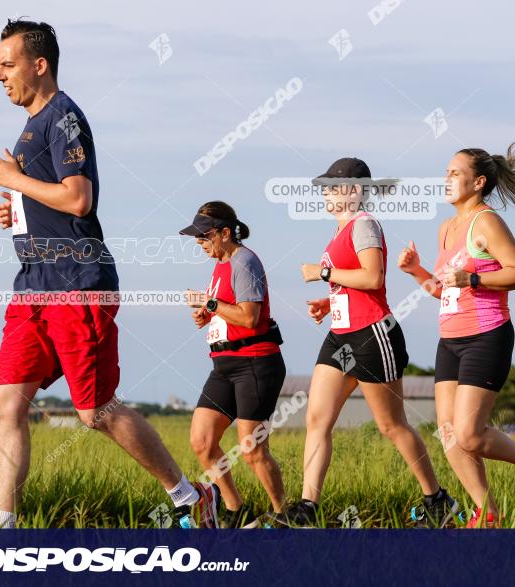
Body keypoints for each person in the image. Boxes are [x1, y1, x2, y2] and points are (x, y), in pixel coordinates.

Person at [0, 18, 213, 529]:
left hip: (75, 284)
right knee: (4, 402)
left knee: (96, 412)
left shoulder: (63, 117)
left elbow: (78, 196)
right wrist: (15, 207)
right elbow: (50, 200)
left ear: (38, 65)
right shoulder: (27, 130)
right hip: (33, 286)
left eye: (6, 64)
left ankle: (188, 496)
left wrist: (15, 179)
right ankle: (1, 526)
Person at [276, 157, 454, 527]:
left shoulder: (364, 225)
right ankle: (308, 508)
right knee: (316, 419)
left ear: (356, 190)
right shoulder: (340, 230)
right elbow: (353, 281)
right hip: (341, 335)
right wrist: (330, 301)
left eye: (333, 185)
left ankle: (436, 499)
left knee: (391, 426)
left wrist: (322, 272)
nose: (325, 192)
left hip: (374, 335)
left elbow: (373, 278)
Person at [398, 145, 515, 528]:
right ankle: (488, 515)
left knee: (469, 434)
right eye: (445, 172)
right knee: (449, 435)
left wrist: (475, 278)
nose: (446, 179)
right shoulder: (446, 228)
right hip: (450, 340)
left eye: (454, 173)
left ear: (478, 182)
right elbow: (442, 288)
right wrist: (417, 271)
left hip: (486, 334)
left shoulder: (487, 222)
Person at [180, 201, 287, 528]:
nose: (201, 243)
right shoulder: (221, 265)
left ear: (226, 232)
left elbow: (250, 317)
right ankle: (236, 510)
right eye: (197, 239)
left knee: (253, 450)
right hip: (224, 365)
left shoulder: (244, 261)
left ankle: (283, 516)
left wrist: (210, 302)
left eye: (205, 236)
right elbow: (227, 311)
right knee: (202, 441)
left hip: (255, 361)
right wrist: (206, 315)